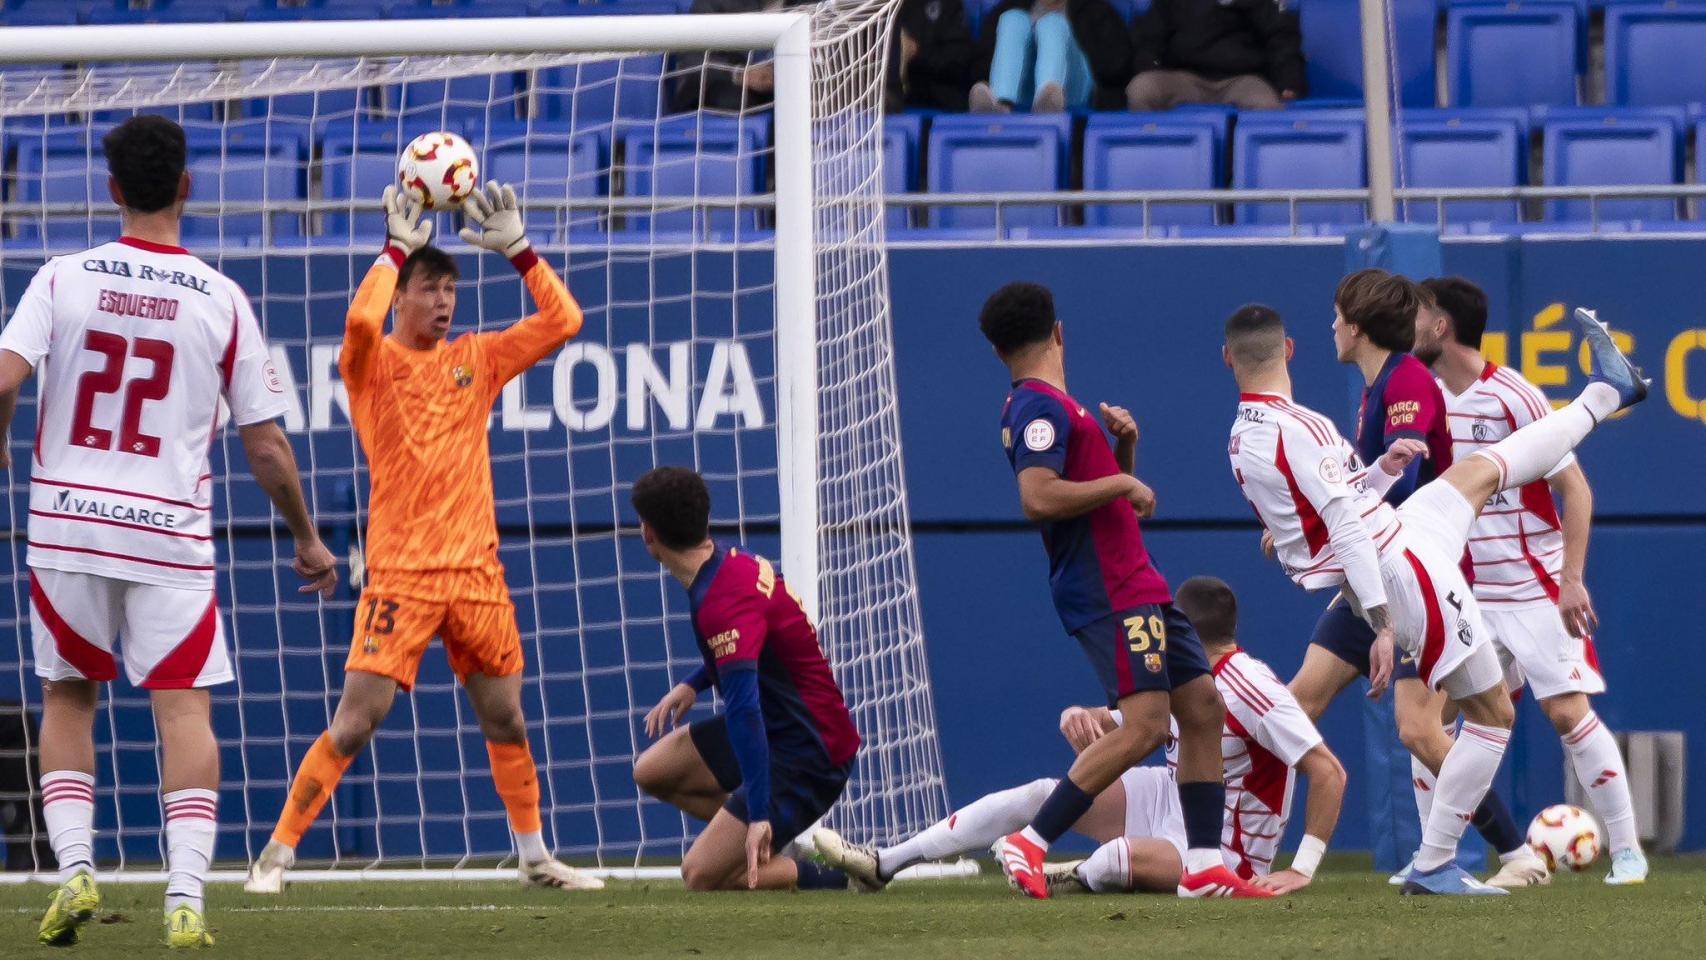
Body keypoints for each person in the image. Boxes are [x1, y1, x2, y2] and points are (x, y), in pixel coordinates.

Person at [0, 115, 338, 948]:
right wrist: (305, 535)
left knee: (68, 698)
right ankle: (185, 898)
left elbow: (3, 380)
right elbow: (266, 446)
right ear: (187, 187)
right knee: (183, 711)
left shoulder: (60, 278)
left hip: (68, 527)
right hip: (169, 538)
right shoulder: (221, 298)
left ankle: (76, 871)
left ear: (112, 190)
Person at [1222, 293, 1648, 895]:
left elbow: (1338, 507)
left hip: (1398, 537)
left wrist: (1385, 471)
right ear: (1288, 351)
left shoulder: (1245, 439)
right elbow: (1344, 525)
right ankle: (1436, 861)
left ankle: (1607, 392)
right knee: (1493, 715)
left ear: (1226, 360)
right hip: (1401, 570)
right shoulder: (1304, 425)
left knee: (1479, 471)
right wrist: (1382, 622)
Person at [244, 182, 601, 894]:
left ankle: (534, 857)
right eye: (430, 288)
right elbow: (355, 327)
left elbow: (565, 322)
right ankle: (275, 858)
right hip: (402, 577)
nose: (443, 302)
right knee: (355, 722)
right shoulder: (370, 366)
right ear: (401, 296)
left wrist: (522, 252)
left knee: (506, 717)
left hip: (476, 575)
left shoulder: (479, 358)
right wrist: (391, 252)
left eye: (451, 290)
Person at [977, 282, 1265, 900]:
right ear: (1059, 332)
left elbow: (1107, 512)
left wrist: (1123, 455)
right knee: (1144, 726)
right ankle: (1030, 840)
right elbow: (1037, 498)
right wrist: (1120, 485)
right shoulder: (1036, 407)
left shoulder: (1064, 408)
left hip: (1140, 582)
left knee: (1202, 711)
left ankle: (1205, 866)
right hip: (1109, 590)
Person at [814, 576, 1346, 896]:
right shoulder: (1184, 676)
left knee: (1118, 859)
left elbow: (1328, 771)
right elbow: (1121, 728)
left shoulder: (1251, 684)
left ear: (1181, 627)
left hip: (1230, 846)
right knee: (1041, 796)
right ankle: (885, 862)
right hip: (1170, 794)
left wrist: (1301, 868)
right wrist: (1082, 715)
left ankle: (1068, 873)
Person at [1287, 270, 1547, 889]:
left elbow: (1402, 479)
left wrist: (1334, 508)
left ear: (1355, 326)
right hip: (1371, 575)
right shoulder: (1376, 385)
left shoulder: (1405, 382)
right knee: (1296, 705)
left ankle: (1516, 856)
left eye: (1334, 317)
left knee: (1418, 728)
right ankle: (1231, 851)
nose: (1330, 327)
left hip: (1417, 578)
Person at [1413, 276, 1647, 885]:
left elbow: (1576, 490)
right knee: (1429, 725)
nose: (1408, 324)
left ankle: (1627, 851)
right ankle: (1439, 860)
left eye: (1418, 313)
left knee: (1567, 712)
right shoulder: (1423, 400)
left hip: (1533, 584)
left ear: (1442, 325)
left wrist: (1572, 579)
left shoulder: (1514, 395)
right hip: (1468, 592)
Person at [629, 466, 861, 892]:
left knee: (699, 875)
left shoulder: (720, 603)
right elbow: (757, 647)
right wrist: (695, 683)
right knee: (652, 770)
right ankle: (760, 840)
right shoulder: (728, 562)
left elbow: (745, 711)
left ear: (649, 533)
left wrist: (757, 814)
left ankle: (833, 880)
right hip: (781, 727)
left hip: (810, 751)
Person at [1126, 0, 1305, 111]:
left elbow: (1281, 35)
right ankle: (1161, 167)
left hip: (1242, 80)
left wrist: (1289, 81)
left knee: (1266, 105)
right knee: (1141, 89)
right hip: (1186, 79)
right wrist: (1148, 67)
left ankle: (1247, 168)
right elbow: (1150, 38)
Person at [969, 0, 1133, 113]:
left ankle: (1050, 99)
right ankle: (999, 102)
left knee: (1052, 23)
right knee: (1012, 19)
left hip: (1076, 89)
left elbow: (1118, 62)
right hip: (1024, 91)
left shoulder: (1092, 7)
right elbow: (979, 62)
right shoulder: (1012, 6)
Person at [670, 0, 813, 114]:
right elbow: (691, 60)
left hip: (793, 87)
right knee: (732, 100)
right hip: (731, 85)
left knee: (805, 100)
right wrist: (739, 74)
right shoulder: (714, 4)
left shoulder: (813, 5)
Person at [887, 0, 976, 112]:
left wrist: (917, 51)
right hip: (884, 100)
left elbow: (960, 58)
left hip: (938, 99)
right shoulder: (874, 9)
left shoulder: (947, 5)